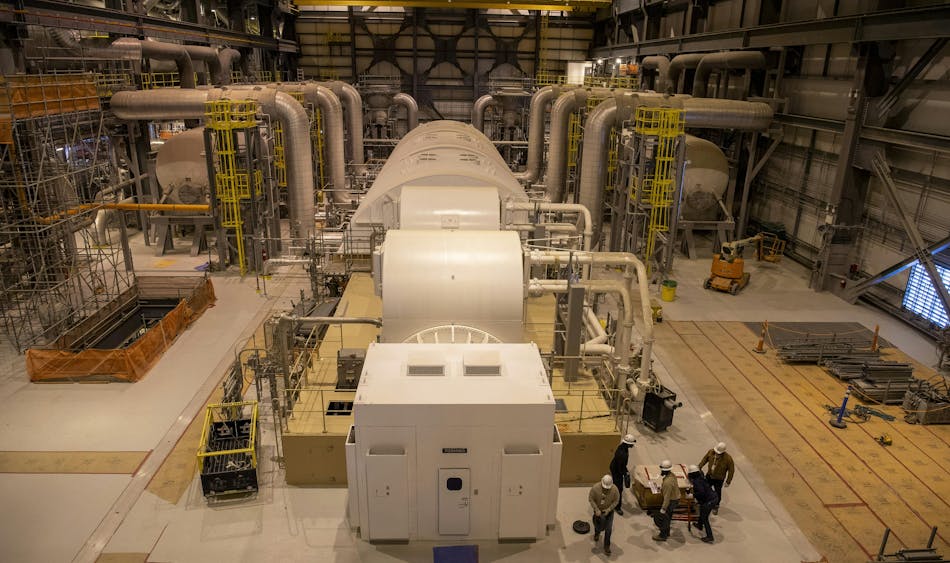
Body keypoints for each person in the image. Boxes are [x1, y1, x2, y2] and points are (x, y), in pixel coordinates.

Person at [697, 441, 735, 514]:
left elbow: (731, 470)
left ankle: (716, 506)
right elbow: (705, 459)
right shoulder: (711, 452)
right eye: (716, 452)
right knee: (705, 489)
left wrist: (728, 481)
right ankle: (703, 502)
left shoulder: (728, 459)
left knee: (717, 493)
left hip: (719, 479)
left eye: (719, 454)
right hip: (710, 475)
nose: (717, 454)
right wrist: (699, 466)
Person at [687, 464, 718, 543]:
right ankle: (699, 525)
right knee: (702, 510)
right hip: (713, 497)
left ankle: (710, 536)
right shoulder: (700, 476)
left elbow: (702, 493)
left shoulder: (697, 482)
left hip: (709, 501)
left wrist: (693, 495)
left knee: (705, 518)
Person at [589, 474, 620, 555]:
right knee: (598, 524)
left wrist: (609, 509)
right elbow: (591, 499)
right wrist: (596, 509)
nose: (606, 489)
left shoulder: (615, 489)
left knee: (608, 529)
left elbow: (616, 500)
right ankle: (597, 533)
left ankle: (607, 545)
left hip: (609, 512)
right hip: (598, 511)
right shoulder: (595, 488)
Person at [652, 459, 680, 541]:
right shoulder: (672, 475)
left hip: (671, 501)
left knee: (664, 518)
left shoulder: (667, 482)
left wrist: (663, 508)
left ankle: (663, 535)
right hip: (675, 499)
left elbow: (667, 498)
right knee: (668, 517)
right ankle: (667, 532)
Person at [609, 433, 636, 515]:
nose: (632, 445)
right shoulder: (622, 454)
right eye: (631, 444)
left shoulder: (622, 446)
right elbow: (620, 468)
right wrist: (625, 473)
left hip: (615, 466)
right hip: (616, 470)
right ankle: (617, 507)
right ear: (628, 444)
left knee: (617, 486)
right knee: (619, 489)